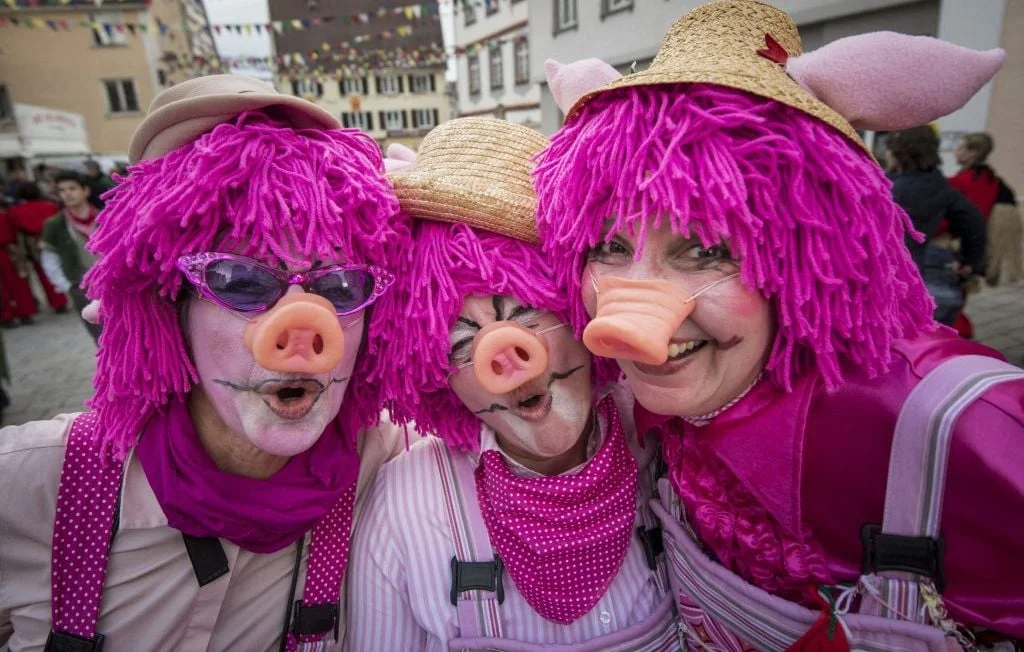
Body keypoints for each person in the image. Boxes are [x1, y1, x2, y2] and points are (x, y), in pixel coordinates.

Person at [535, 1, 1023, 648]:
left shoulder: (963, 422)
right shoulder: (638, 401)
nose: (631, 308)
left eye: (705, 249)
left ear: (803, 251)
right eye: (608, 247)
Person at [0, 74, 410, 651]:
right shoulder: (29, 484)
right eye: (241, 280)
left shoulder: (389, 468)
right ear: (172, 308)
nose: (299, 333)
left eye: (340, 286)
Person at [345, 118, 677, 650]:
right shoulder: (406, 507)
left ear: (580, 306)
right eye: (460, 342)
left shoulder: (670, 442)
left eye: (525, 311)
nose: (504, 361)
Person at [886, 126, 987, 327]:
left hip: (877, 275)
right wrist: (970, 260)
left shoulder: (887, 186)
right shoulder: (939, 186)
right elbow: (974, 221)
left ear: (898, 152)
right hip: (914, 271)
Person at [951, 132, 1022, 286]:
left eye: (961, 148)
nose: (956, 151)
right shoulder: (990, 178)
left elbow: (975, 215)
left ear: (973, 153)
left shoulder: (972, 181)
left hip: (967, 246)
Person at [39, 170, 102, 343]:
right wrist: (67, 285)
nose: (67, 193)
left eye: (72, 188)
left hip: (114, 285)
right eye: (62, 190)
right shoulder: (54, 224)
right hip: (81, 288)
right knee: (101, 339)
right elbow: (49, 259)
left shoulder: (106, 215)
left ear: (85, 191)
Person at [7, 182, 69, 315]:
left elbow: (15, 228)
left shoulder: (16, 210)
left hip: (32, 242)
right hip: (54, 240)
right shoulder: (50, 206)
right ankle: (61, 301)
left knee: (42, 272)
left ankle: (52, 302)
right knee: (56, 268)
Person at [0, 198, 37, 327]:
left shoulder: (8, 214)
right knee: (18, 285)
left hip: (10, 253)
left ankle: (9, 316)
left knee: (11, 286)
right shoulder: (8, 214)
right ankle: (24, 313)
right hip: (11, 252)